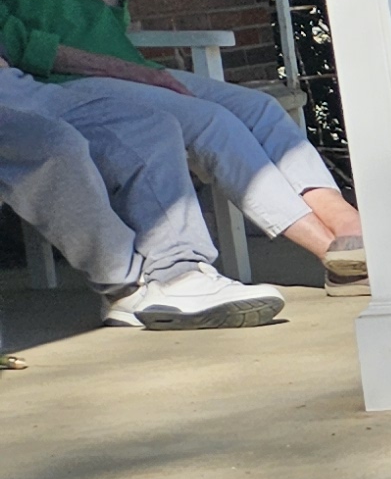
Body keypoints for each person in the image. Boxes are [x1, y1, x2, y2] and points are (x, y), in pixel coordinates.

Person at [0, 0, 364, 281]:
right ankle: (334, 254)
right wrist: (132, 73)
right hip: (75, 83)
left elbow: (113, 10)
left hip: (128, 69)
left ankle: (349, 226)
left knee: (258, 110)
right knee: (212, 124)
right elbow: (20, 44)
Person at [0, 63, 284, 327]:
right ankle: (124, 289)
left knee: (149, 127)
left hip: (13, 83)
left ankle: (179, 271)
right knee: (55, 147)